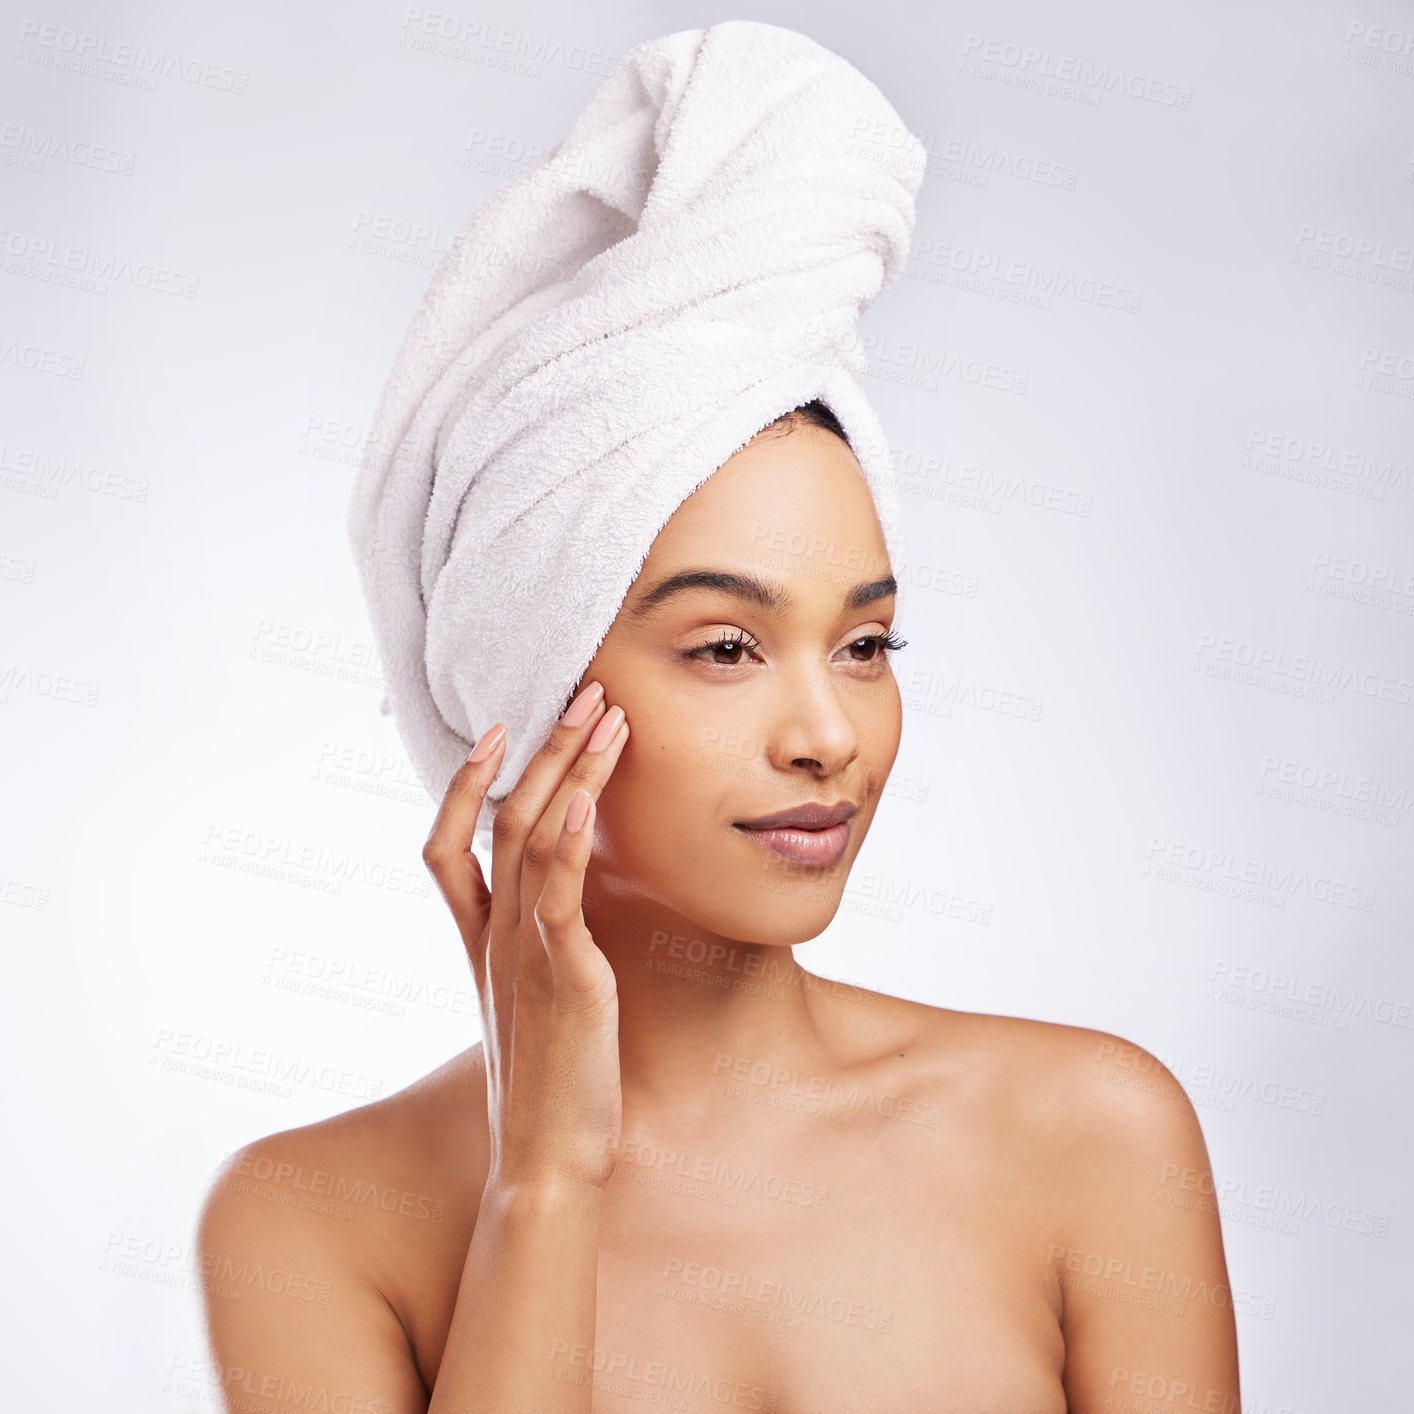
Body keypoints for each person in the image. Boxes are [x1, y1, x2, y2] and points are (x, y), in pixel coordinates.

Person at [196, 398, 1240, 1412]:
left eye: (864, 645)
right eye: (726, 648)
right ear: (524, 686)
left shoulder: (1090, 1132)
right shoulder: (306, 1221)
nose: (828, 736)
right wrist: (545, 1182)